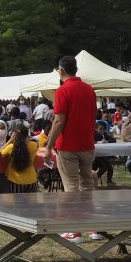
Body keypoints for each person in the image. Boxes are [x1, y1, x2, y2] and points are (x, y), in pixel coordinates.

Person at [43, 56, 99, 243]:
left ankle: (74, 230)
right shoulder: (90, 89)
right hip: (87, 144)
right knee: (88, 184)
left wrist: (49, 145)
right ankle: (92, 228)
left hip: (68, 145)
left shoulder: (63, 90)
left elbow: (59, 121)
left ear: (61, 70)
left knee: (71, 187)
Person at [0, 124, 37, 193]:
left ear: (15, 136)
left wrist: (10, 140)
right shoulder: (33, 145)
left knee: (17, 203)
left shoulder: (11, 147)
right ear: (26, 135)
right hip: (31, 180)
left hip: (15, 180)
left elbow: (0, 151)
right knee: (31, 204)